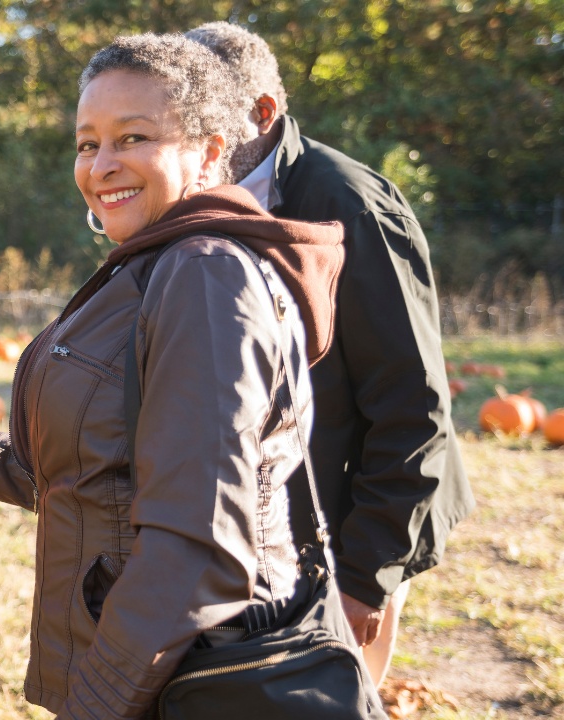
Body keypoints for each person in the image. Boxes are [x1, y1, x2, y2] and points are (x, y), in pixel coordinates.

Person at [0, 34, 346, 718]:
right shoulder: (153, 266)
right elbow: (111, 470)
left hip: (186, 676)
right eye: (87, 143)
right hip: (147, 669)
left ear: (212, 150)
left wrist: (96, 701)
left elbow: (199, 542)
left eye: (133, 138)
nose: (102, 165)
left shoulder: (204, 276)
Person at [185, 21, 474, 686]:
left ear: (263, 112)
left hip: (362, 518)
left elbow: (411, 401)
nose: (190, 135)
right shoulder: (201, 198)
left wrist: (366, 578)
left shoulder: (347, 206)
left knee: (334, 693)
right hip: (273, 524)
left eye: (204, 117)